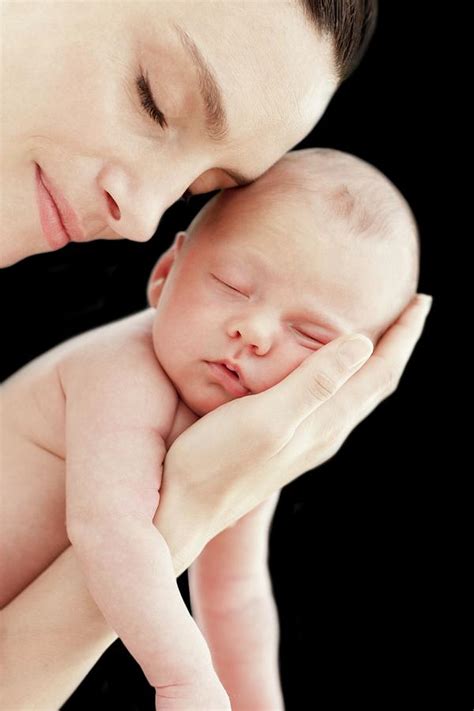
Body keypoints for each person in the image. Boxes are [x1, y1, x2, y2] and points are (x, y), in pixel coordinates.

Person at [0, 1, 432, 708]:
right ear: (165, 275)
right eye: (232, 285)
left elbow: (234, 598)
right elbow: (110, 529)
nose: (254, 333)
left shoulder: (234, 441)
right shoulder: (122, 372)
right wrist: (184, 678)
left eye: (312, 337)